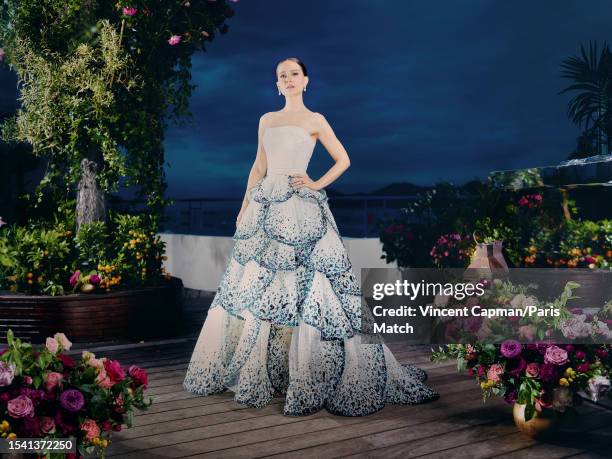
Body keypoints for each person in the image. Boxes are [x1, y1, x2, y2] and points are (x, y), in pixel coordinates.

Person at [183, 57, 438, 416]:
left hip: (302, 207)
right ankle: (276, 371)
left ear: (306, 80)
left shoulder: (315, 120)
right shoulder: (266, 120)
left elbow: (343, 159)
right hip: (265, 205)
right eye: (281, 76)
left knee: (311, 286)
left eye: (293, 74)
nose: (287, 79)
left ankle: (307, 370)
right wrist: (243, 207)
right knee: (261, 287)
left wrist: (315, 184)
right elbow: (259, 166)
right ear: (277, 85)